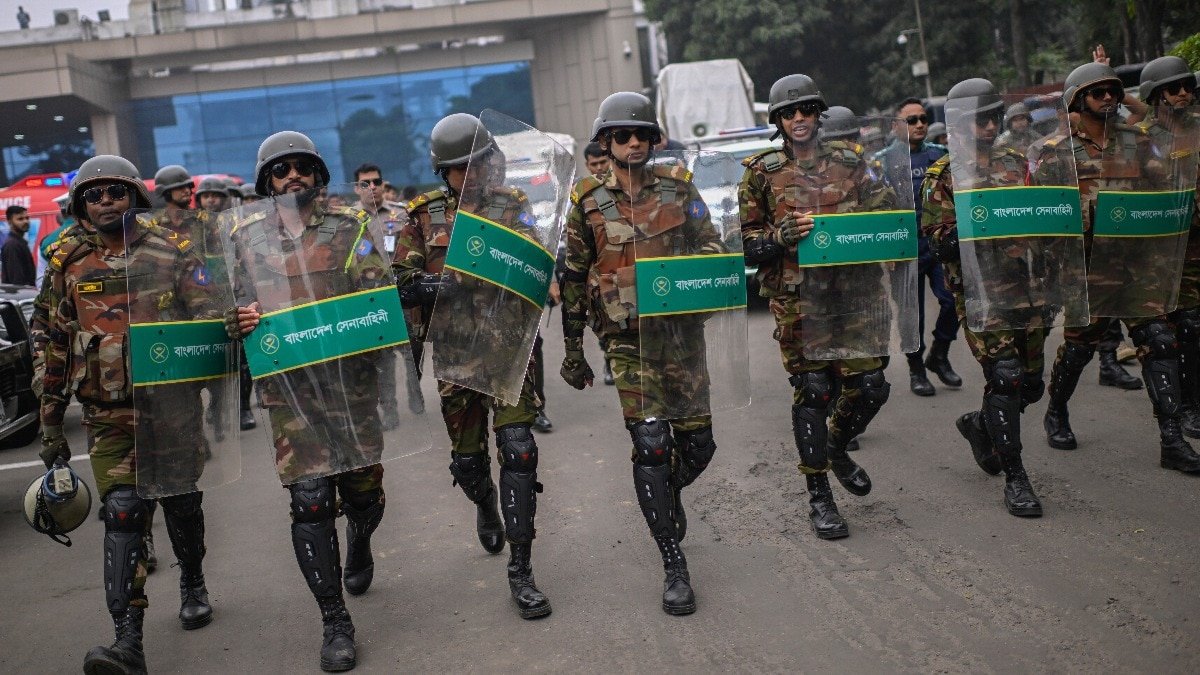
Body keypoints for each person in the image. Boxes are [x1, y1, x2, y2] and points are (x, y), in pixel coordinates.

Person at [40, 155, 218, 674]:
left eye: (115, 191)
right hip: (106, 414)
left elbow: (207, 319)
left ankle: (193, 580)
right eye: (93, 195)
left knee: (182, 503)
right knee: (122, 514)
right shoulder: (67, 262)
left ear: (133, 196)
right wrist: (51, 420)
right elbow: (53, 342)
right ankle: (128, 642)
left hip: (174, 411)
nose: (104, 202)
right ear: (79, 204)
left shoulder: (173, 251)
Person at [229, 131, 392, 670]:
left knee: (364, 495)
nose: (292, 175)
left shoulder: (353, 228)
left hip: (350, 389)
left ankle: (361, 540)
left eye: (302, 166)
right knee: (311, 501)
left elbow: (378, 295)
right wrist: (238, 319)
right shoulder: (246, 240)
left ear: (318, 175)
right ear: (266, 182)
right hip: (290, 395)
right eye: (281, 170)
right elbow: (228, 310)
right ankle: (334, 621)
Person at [561, 91, 726, 614]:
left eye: (643, 135)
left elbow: (712, 246)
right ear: (606, 143)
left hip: (680, 333)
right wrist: (572, 350)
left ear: (654, 140)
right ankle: (673, 562)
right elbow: (570, 278)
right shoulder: (586, 201)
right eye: (622, 136)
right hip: (625, 339)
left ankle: (666, 492)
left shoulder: (680, 190)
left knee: (698, 446)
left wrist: (692, 274)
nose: (634, 144)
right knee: (651, 441)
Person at [394, 113, 552, 619]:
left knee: (519, 450)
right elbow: (397, 275)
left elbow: (535, 259)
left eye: (479, 162)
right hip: (455, 354)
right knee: (468, 463)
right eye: (461, 167)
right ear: (445, 171)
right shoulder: (422, 216)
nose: (472, 173)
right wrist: (422, 285)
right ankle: (485, 503)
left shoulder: (513, 206)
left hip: (507, 349)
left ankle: (522, 568)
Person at [740, 75, 890, 540]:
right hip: (798, 299)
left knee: (870, 385)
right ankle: (820, 497)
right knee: (814, 390)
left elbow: (886, 218)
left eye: (806, 110)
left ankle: (836, 446)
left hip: (853, 295)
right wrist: (777, 238)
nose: (798, 119)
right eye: (789, 113)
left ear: (818, 113)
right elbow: (744, 244)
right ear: (778, 121)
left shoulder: (851, 162)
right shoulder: (760, 172)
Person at [1037, 62, 1200, 474]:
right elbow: (1043, 213)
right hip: (1088, 270)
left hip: (1137, 265)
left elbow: (1163, 187)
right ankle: (1056, 410)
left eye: (1113, 91)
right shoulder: (1055, 150)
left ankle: (1172, 440)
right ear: (1078, 101)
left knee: (1160, 342)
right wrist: (1090, 215)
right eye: (1098, 93)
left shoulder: (1137, 140)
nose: (1109, 97)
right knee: (1077, 350)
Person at [921, 78, 1050, 517]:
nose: (990, 125)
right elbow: (937, 240)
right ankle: (1016, 478)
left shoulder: (1019, 162)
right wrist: (979, 223)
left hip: (1027, 287)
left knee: (1031, 385)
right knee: (1007, 375)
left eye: (994, 116)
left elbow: (1043, 213)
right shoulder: (943, 175)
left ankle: (980, 424)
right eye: (980, 119)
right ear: (958, 126)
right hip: (980, 294)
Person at [875, 97, 960, 396]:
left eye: (923, 118)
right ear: (897, 125)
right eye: (912, 120)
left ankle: (939, 354)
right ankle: (916, 370)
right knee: (912, 313)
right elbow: (876, 211)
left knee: (953, 301)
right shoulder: (882, 160)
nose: (920, 124)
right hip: (904, 250)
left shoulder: (941, 154)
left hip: (938, 245)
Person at [1135, 56, 1200, 437]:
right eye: (1174, 89)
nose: (1183, 94)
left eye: (1187, 87)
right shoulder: (1139, 138)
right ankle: (1188, 405)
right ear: (1156, 94)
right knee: (1186, 328)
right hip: (1166, 251)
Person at [353, 162, 417, 425]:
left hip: (403, 294)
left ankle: (416, 395)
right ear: (357, 189)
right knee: (383, 357)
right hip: (372, 298)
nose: (372, 188)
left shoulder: (401, 215)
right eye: (365, 183)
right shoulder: (348, 219)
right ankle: (389, 408)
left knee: (413, 351)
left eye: (376, 182)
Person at [579, 141, 616, 385]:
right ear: (587, 165)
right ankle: (608, 358)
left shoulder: (622, 184)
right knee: (603, 321)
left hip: (621, 264)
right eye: (594, 164)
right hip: (596, 271)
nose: (600, 168)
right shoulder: (583, 194)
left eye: (603, 162)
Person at [2, 205, 37, 285]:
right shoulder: (12, 245)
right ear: (9, 221)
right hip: (21, 295)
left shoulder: (20, 242)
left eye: (27, 218)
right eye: (20, 219)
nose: (25, 221)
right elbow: (17, 281)